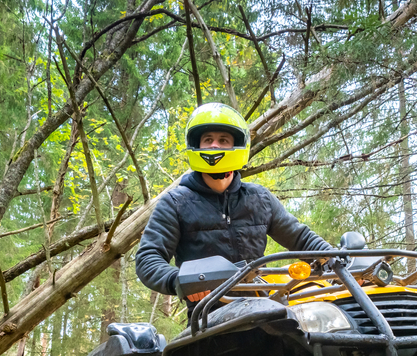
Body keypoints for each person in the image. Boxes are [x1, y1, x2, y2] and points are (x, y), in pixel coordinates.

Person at [135, 103, 332, 305]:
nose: (214, 145)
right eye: (208, 140)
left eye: (223, 140)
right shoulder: (175, 202)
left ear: (236, 145)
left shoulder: (260, 198)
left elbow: (302, 239)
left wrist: (337, 263)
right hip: (208, 316)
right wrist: (179, 281)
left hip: (264, 308)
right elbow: (149, 258)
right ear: (197, 145)